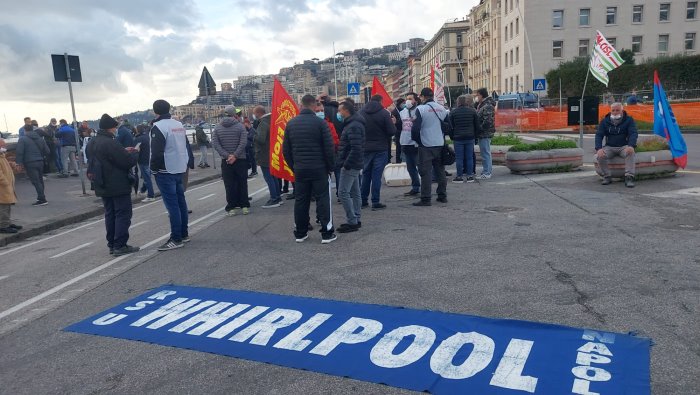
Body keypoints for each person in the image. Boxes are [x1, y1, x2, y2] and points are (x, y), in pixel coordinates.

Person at [283, 94, 336, 244]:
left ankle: (300, 233)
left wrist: (294, 166)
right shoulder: (321, 124)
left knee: (301, 201)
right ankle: (327, 233)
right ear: (314, 106)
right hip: (319, 169)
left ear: (301, 105)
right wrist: (330, 167)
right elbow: (329, 148)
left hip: (300, 169)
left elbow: (286, 150)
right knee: (323, 200)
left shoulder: (291, 124)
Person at [87, 114, 140, 256]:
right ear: (111, 128)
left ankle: (112, 243)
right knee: (122, 214)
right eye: (115, 127)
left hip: (101, 183)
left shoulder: (92, 142)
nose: (116, 130)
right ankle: (120, 245)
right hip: (117, 183)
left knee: (110, 214)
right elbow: (126, 162)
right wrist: (134, 154)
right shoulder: (111, 142)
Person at [150, 99, 190, 250]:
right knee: (181, 202)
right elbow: (185, 145)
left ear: (156, 112)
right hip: (179, 167)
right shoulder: (178, 125)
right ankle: (184, 233)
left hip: (165, 170)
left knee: (172, 205)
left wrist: (153, 169)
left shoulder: (158, 127)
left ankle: (176, 238)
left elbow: (157, 152)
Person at [411, 87, 448, 206]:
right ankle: (442, 195)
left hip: (426, 145)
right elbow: (448, 126)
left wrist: (418, 141)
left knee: (425, 172)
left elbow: (415, 129)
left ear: (422, 97)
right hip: (439, 143)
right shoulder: (442, 108)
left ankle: (426, 198)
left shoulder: (420, 109)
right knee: (440, 171)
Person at [360, 94, 396, 210]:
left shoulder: (361, 113)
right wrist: (393, 123)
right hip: (380, 148)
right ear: (380, 101)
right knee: (376, 175)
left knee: (366, 174)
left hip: (365, 148)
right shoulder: (384, 113)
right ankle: (375, 201)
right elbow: (391, 131)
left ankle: (363, 200)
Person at [212, 106, 249, 216]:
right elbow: (243, 143)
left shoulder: (217, 128)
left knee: (229, 184)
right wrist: (235, 155)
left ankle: (231, 207)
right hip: (240, 159)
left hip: (226, 160)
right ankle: (244, 206)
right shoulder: (240, 127)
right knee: (242, 183)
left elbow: (215, 144)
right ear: (235, 115)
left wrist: (227, 156)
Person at [336, 101, 365, 234]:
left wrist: (346, 164)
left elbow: (355, 147)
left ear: (346, 110)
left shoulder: (353, 126)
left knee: (343, 192)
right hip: (354, 162)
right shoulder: (353, 123)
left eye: (339, 110)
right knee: (355, 191)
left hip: (351, 164)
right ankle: (356, 219)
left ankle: (352, 220)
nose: (338, 113)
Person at [595, 102, 638, 188]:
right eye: (613, 110)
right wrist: (599, 148)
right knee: (600, 156)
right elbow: (599, 135)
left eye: (617, 110)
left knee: (630, 153)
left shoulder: (629, 120)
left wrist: (631, 145)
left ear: (622, 110)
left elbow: (633, 133)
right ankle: (607, 176)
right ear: (610, 111)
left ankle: (629, 177)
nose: (615, 112)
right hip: (609, 147)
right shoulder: (604, 121)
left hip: (624, 146)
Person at [253, 106, 283, 208]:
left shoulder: (263, 123)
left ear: (258, 113)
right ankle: (278, 196)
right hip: (273, 152)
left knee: (269, 177)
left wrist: (253, 135)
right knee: (274, 176)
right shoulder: (273, 120)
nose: (254, 116)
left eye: (254, 113)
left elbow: (260, 139)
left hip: (264, 154)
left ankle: (274, 198)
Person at [449, 95, 481, 183]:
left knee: (459, 158)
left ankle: (459, 177)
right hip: (470, 137)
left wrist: (452, 136)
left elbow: (450, 126)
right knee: (469, 157)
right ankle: (470, 176)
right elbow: (477, 126)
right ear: (466, 102)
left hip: (458, 138)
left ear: (458, 102)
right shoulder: (472, 111)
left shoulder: (453, 112)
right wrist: (475, 136)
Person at [15, 125, 50, 206]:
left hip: (30, 162)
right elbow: (47, 151)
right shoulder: (40, 138)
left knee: (36, 181)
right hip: (40, 161)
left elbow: (20, 152)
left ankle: (42, 199)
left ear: (25, 130)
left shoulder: (22, 139)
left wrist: (18, 163)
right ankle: (41, 197)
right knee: (40, 180)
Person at [399, 92, 421, 197]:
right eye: (406, 98)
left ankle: (425, 188)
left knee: (421, 167)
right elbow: (400, 126)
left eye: (410, 98)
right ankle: (415, 187)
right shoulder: (402, 112)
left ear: (415, 100)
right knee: (410, 167)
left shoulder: (419, 110)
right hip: (405, 143)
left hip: (417, 143)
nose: (408, 101)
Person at [0, 138, 21, 234]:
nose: (5, 147)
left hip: (6, 186)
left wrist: (11, 164)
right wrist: (5, 182)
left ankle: (7, 223)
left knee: (7, 205)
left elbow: (4, 165)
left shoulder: (2, 156)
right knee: (3, 207)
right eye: (3, 146)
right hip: (2, 187)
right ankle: (3, 225)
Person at [475, 88, 496, 179]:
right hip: (483, 133)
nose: (477, 97)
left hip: (485, 133)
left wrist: (480, 129)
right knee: (485, 152)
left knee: (485, 153)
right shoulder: (482, 104)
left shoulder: (487, 105)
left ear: (481, 95)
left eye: (477, 95)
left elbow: (487, 121)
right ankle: (486, 171)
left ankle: (487, 172)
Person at [134, 124, 155, 202]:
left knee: (147, 178)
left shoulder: (139, 139)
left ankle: (151, 195)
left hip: (143, 160)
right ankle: (142, 190)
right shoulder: (147, 137)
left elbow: (135, 150)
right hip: (150, 159)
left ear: (137, 131)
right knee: (147, 176)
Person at [391, 98, 404, 164]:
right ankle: (398, 161)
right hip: (398, 131)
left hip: (401, 131)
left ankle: (400, 160)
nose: (404, 104)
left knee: (400, 147)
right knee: (399, 147)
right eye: (403, 103)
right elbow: (394, 122)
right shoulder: (395, 112)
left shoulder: (402, 110)